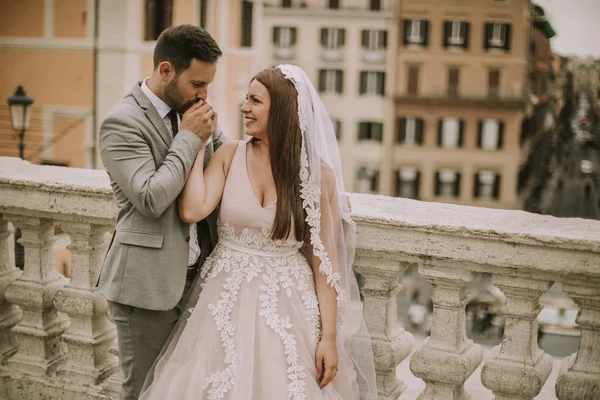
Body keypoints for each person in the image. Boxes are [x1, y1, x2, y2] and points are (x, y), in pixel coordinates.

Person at [139, 65, 377, 399]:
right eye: (245, 99)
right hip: (223, 303)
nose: (243, 108)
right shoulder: (229, 154)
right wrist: (196, 146)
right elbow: (192, 209)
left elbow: (327, 263)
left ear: (279, 108)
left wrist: (330, 339)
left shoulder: (317, 177)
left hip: (289, 308)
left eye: (254, 100)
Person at [97, 25, 226, 399]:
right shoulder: (122, 121)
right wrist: (189, 137)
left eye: (208, 86)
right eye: (197, 84)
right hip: (146, 290)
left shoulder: (192, 111)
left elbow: (223, 169)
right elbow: (151, 198)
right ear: (166, 70)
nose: (204, 96)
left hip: (198, 281)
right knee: (144, 391)